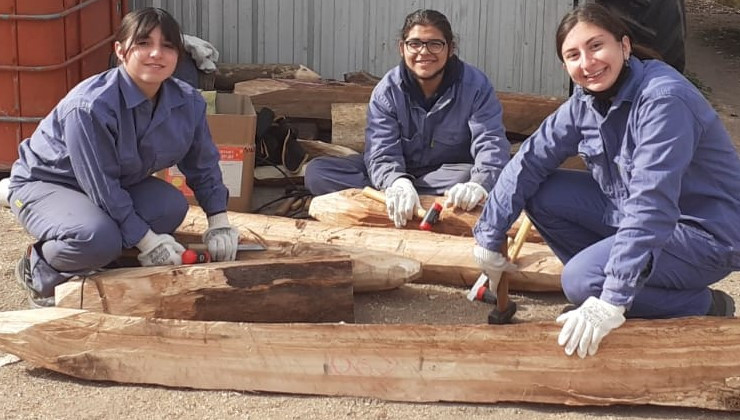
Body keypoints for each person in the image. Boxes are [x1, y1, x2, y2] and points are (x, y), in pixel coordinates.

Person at [472, 4, 740, 359]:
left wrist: (610, 300)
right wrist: (488, 236)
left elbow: (652, 205)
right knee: (544, 192)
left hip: (705, 231)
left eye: (596, 46)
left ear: (624, 47)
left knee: (579, 281)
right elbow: (528, 160)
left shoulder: (663, 100)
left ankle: (700, 303)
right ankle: (618, 284)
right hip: (640, 216)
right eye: (573, 55)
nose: (588, 62)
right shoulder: (586, 101)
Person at [7, 8, 240, 307]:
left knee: (171, 207)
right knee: (96, 237)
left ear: (178, 55)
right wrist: (147, 240)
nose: (156, 53)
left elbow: (202, 164)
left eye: (167, 46)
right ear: (120, 50)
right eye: (143, 43)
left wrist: (219, 220)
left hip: (114, 185)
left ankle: (101, 261)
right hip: (48, 184)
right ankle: (40, 268)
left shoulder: (188, 101)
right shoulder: (90, 106)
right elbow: (101, 187)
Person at [304, 9, 510, 228]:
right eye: (415, 44)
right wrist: (397, 182)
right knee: (318, 172)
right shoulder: (387, 91)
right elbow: (380, 151)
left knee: (471, 175)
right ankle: (411, 200)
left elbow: (491, 141)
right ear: (401, 48)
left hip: (448, 174)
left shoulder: (476, 86)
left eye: (435, 44)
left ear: (451, 48)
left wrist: (479, 184)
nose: (424, 52)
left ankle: (393, 203)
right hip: (399, 173)